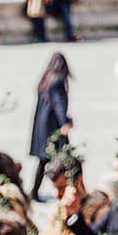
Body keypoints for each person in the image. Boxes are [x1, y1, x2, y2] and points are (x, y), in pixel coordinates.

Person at [28, 50, 71, 202]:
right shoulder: (58, 80)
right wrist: (64, 122)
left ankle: (34, 191)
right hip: (53, 126)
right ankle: (68, 191)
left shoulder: (45, 80)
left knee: (43, 160)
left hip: (42, 125)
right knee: (66, 159)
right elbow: (59, 104)